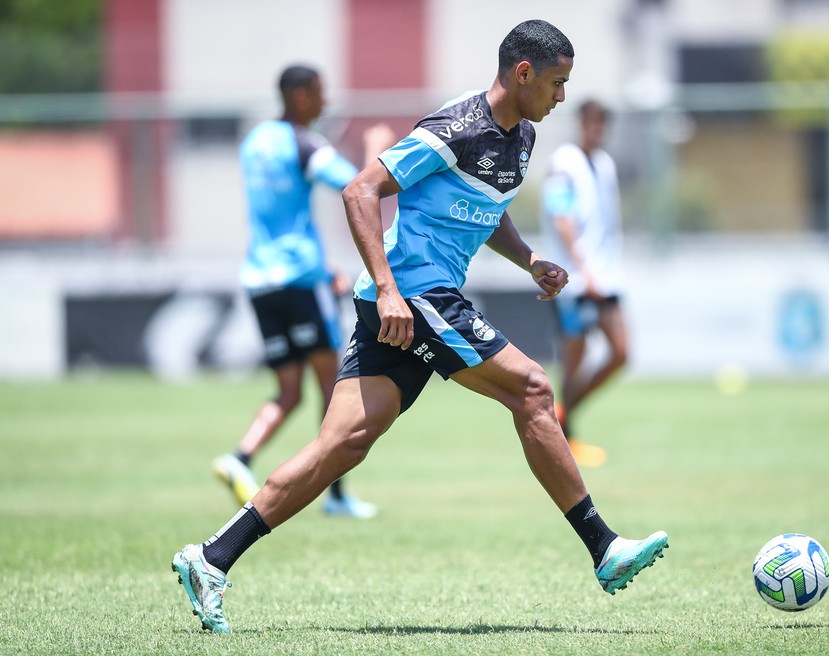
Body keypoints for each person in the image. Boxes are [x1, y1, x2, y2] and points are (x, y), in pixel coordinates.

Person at [171, 20, 668, 635]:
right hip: (413, 295)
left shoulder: (523, 138)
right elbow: (360, 191)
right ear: (523, 74)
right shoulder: (452, 129)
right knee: (534, 389)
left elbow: (488, 211)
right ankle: (603, 546)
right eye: (557, 83)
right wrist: (387, 289)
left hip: (414, 303)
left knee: (340, 446)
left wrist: (530, 259)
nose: (561, 97)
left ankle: (211, 558)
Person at [211, 64, 393, 519]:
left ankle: (240, 457)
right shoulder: (304, 143)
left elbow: (278, 214)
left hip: (260, 280)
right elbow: (358, 186)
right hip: (298, 280)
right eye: (317, 93)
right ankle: (335, 496)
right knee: (336, 391)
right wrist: (375, 148)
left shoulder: (255, 142)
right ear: (297, 96)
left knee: (289, 390)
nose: (324, 102)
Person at [540, 99, 629, 468]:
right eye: (591, 122)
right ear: (581, 123)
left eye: (602, 123)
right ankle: (566, 435)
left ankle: (561, 417)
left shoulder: (605, 164)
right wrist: (582, 268)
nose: (597, 129)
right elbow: (561, 216)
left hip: (606, 276)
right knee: (573, 359)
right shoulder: (564, 161)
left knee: (621, 353)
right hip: (574, 281)